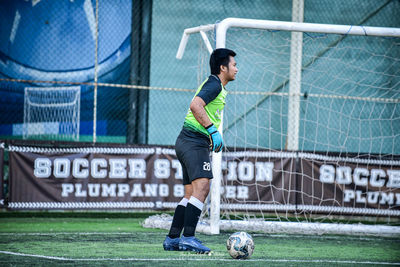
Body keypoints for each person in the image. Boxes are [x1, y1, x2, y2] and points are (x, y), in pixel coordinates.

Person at [163, 48, 238, 253]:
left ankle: (172, 239)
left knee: (190, 193)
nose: (236, 69)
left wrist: (210, 134)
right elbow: (196, 105)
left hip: (187, 141)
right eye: (233, 65)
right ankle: (188, 237)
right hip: (193, 141)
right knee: (202, 188)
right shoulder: (214, 84)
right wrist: (212, 131)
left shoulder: (215, 84)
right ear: (223, 67)